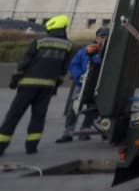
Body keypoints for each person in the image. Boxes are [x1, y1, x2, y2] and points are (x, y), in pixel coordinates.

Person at [0, 15, 76, 155]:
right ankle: (31, 147)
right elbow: (64, 69)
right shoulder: (68, 45)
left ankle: (1, 145)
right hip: (47, 87)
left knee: (14, 115)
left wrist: (16, 78)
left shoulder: (39, 41)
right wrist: (55, 85)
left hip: (28, 85)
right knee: (38, 116)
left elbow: (25, 62)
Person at [57, 26, 109, 142]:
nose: (103, 39)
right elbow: (74, 65)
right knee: (74, 107)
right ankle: (68, 131)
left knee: (93, 108)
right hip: (82, 84)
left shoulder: (108, 53)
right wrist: (79, 76)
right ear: (97, 37)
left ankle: (85, 130)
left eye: (106, 37)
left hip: (97, 86)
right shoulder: (86, 50)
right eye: (101, 36)